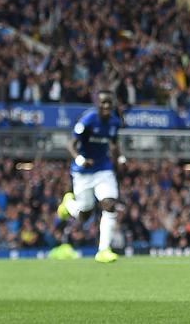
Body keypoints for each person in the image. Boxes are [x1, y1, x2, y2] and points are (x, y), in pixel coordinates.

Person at [57, 89, 125, 263]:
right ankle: (68, 204)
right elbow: (70, 143)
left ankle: (103, 251)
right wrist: (80, 159)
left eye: (109, 103)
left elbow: (114, 144)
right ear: (97, 104)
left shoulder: (114, 122)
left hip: (103, 169)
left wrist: (120, 160)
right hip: (83, 173)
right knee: (84, 215)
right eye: (103, 102)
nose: (106, 106)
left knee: (109, 204)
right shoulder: (87, 120)